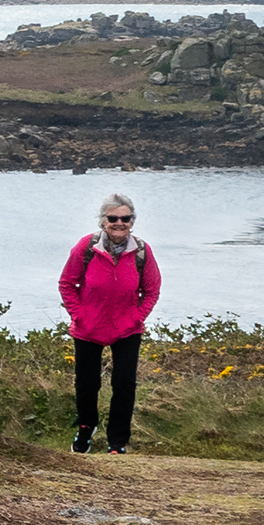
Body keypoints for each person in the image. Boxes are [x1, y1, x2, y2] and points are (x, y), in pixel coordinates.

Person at [57, 193, 160, 454]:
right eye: (113, 218)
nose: (119, 223)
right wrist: (79, 315)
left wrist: (136, 318)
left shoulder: (142, 252)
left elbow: (152, 290)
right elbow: (67, 284)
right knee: (87, 384)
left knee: (124, 384)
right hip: (88, 328)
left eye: (125, 218)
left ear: (132, 221)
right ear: (103, 221)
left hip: (127, 329)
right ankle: (85, 429)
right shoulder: (86, 247)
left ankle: (117, 442)